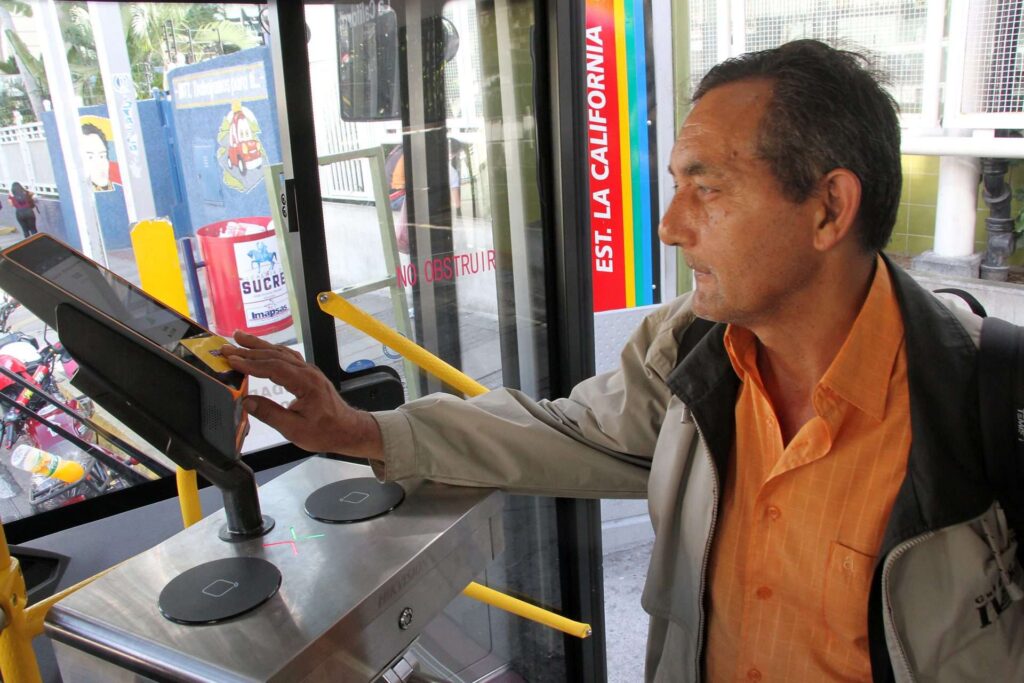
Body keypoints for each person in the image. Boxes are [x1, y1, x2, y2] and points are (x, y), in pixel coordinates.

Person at [221, 40, 1022, 682]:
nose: (670, 226)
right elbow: (564, 430)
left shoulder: (988, 402)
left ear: (828, 208)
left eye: (706, 190)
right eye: (674, 186)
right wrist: (363, 428)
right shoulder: (690, 355)